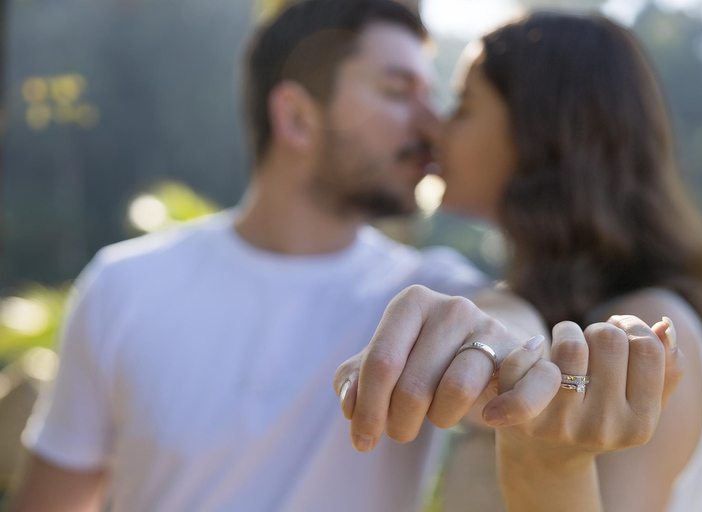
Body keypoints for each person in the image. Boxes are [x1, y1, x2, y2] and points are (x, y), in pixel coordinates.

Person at [3, 2, 605, 511]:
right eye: (398, 92)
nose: (432, 126)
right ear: (295, 116)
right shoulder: (122, 285)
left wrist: (507, 344)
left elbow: (505, 322)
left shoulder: (432, 287)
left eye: (434, 96)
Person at [336, 11, 702, 512]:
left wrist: (549, 463)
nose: (437, 129)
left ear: (540, 133)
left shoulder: (645, 333)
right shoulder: (538, 307)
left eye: (463, 106)